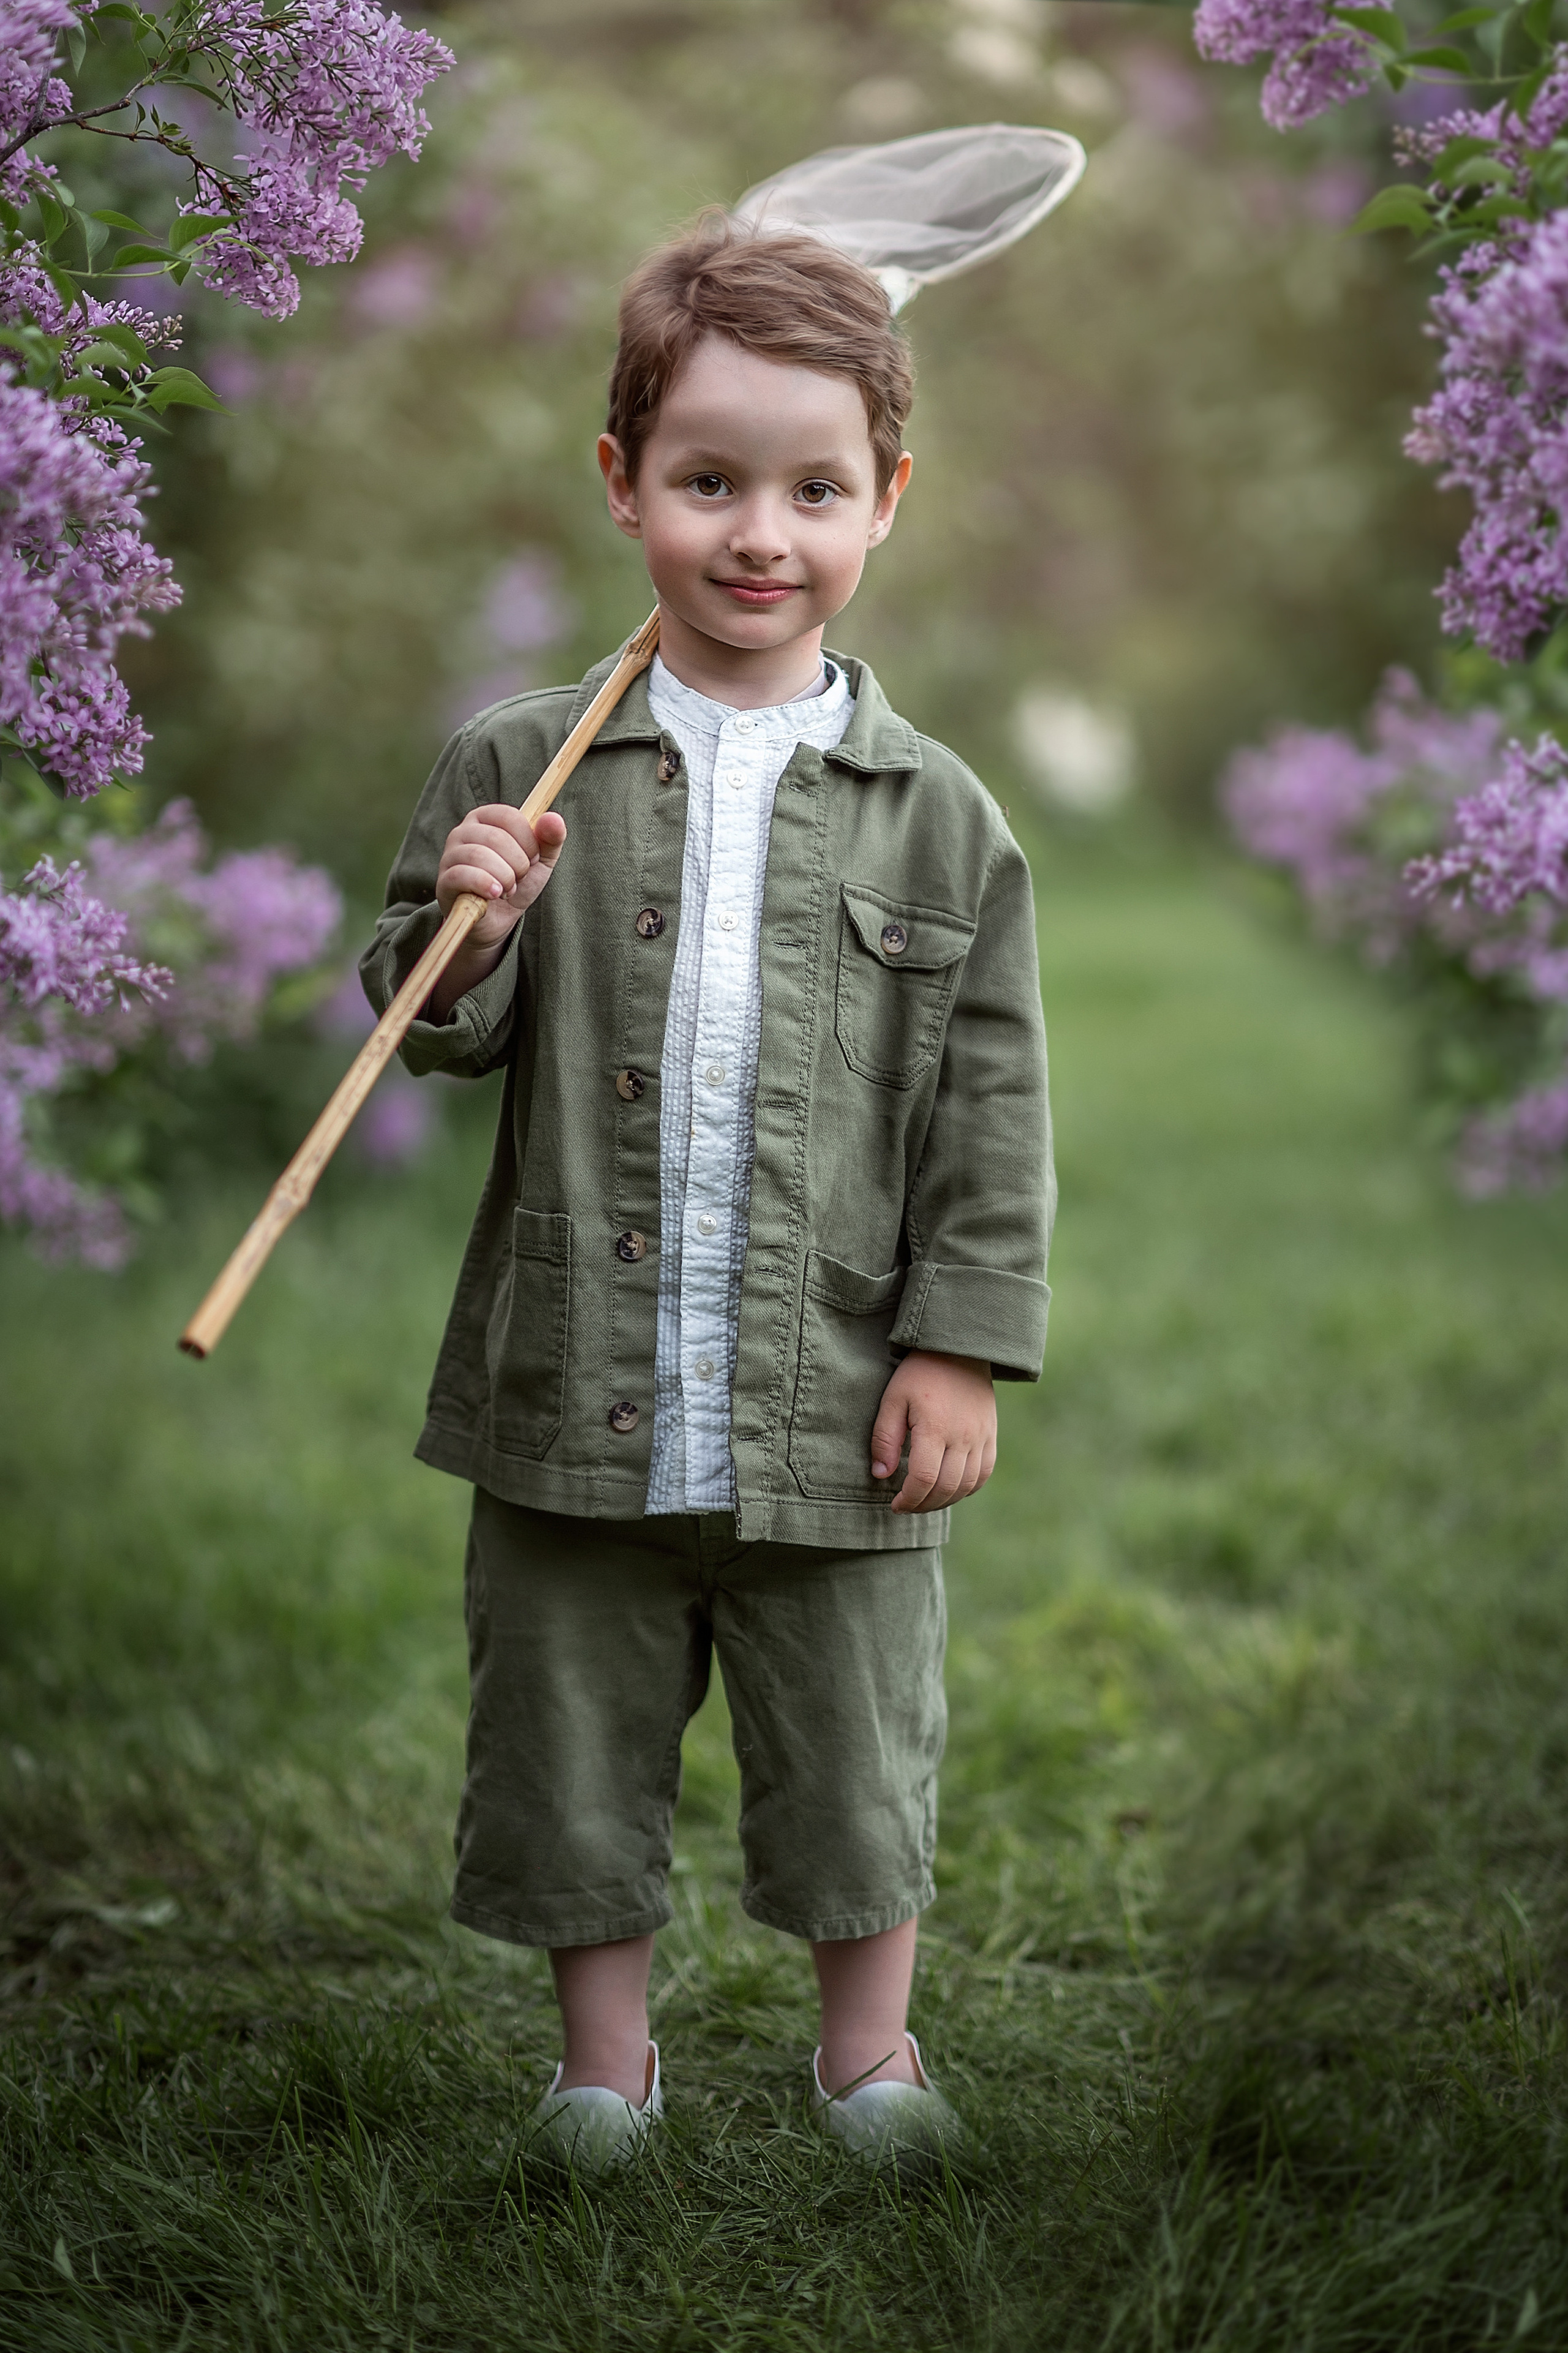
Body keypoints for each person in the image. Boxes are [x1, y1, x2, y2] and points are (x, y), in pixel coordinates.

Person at [361, 214, 1054, 2172]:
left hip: (838, 1376)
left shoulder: (939, 812)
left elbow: (991, 1102)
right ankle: (606, 2062)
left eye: (815, 489)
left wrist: (963, 1347)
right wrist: (473, 925)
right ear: (623, 485)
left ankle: (870, 2055)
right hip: (584, 1354)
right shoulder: (525, 759)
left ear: (887, 502)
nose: (763, 533)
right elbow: (433, 1031)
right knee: (570, 1720)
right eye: (710, 481)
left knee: (854, 1735)